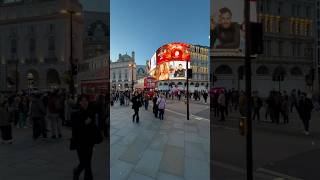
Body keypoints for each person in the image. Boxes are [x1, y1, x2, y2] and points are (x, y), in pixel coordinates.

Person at [71, 94, 102, 180]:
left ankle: (77, 172)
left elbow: (93, 128)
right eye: (82, 101)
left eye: (86, 101)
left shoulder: (91, 113)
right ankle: (76, 171)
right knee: (84, 163)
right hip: (79, 142)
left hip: (89, 142)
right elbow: (74, 129)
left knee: (87, 164)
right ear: (79, 102)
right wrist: (84, 123)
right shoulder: (75, 113)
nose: (84, 102)